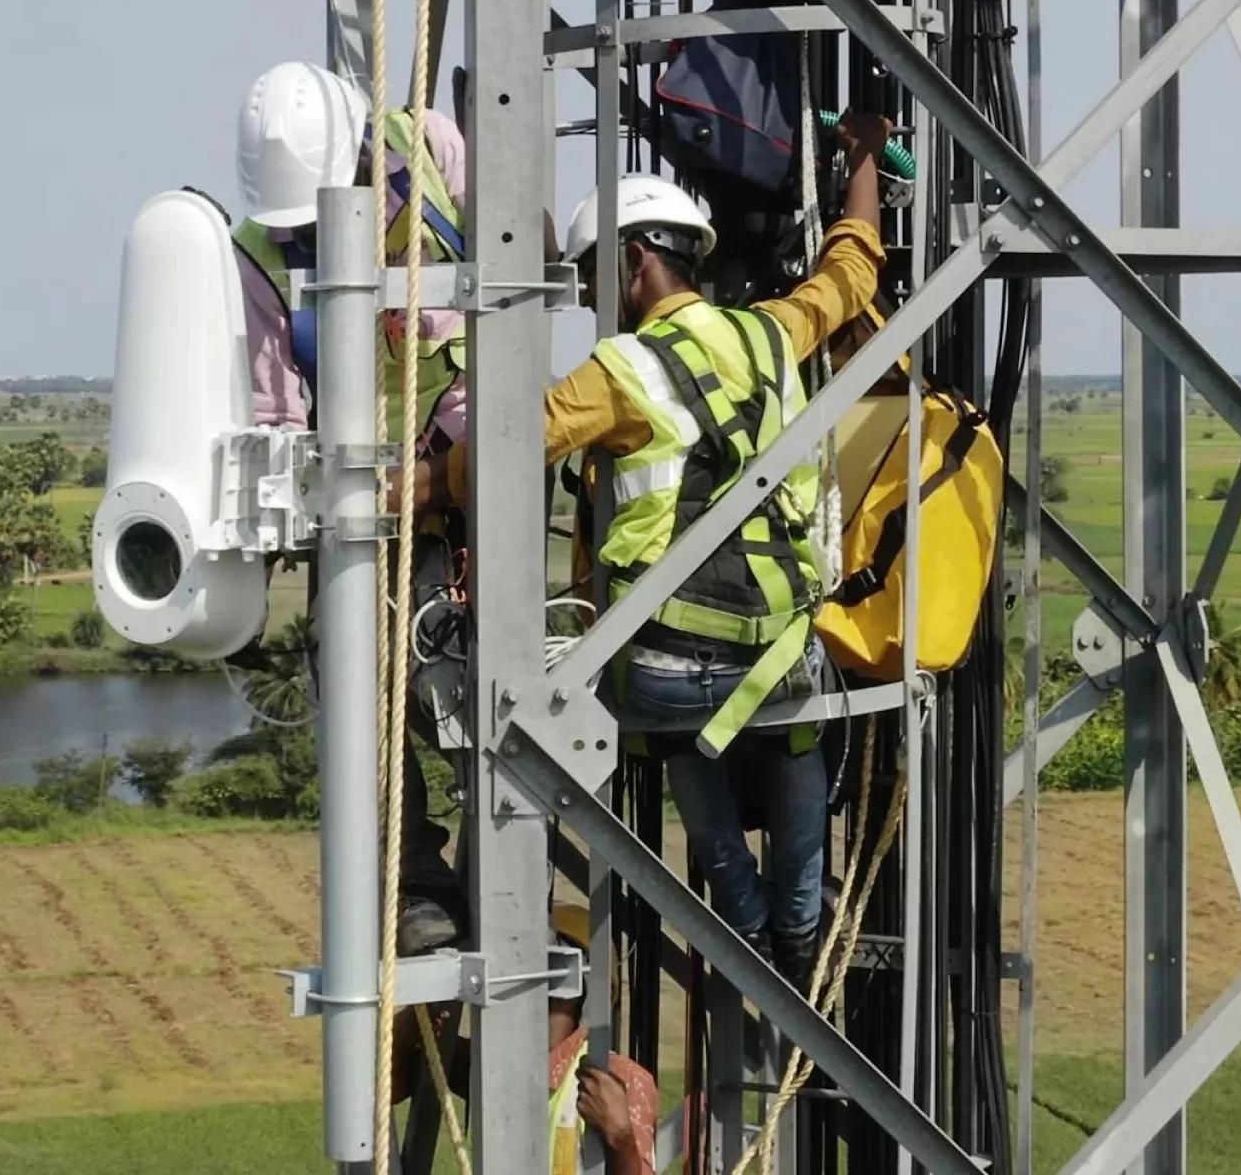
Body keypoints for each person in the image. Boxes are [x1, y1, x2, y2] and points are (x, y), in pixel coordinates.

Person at [421, 112, 891, 985]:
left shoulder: (619, 372)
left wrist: (411, 488)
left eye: (601, 276)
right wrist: (862, 159)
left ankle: (746, 927)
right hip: (779, 651)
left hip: (669, 671)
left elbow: (507, 450)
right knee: (789, 725)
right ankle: (797, 928)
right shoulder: (771, 333)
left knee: (675, 724)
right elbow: (851, 269)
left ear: (634, 264)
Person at [231, 59, 472, 954]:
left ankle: (506, 861)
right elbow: (273, 412)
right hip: (360, 498)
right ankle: (417, 886)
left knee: (472, 686)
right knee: (357, 692)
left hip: (471, 471)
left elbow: (511, 274)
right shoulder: (258, 252)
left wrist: (462, 469)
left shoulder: (433, 149)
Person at [391, 905, 662, 1175]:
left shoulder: (622, 1079)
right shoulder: (497, 1067)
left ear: (592, 996)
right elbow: (388, 1088)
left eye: (554, 988)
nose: (539, 1002)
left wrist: (621, 1140)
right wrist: (412, 1023)